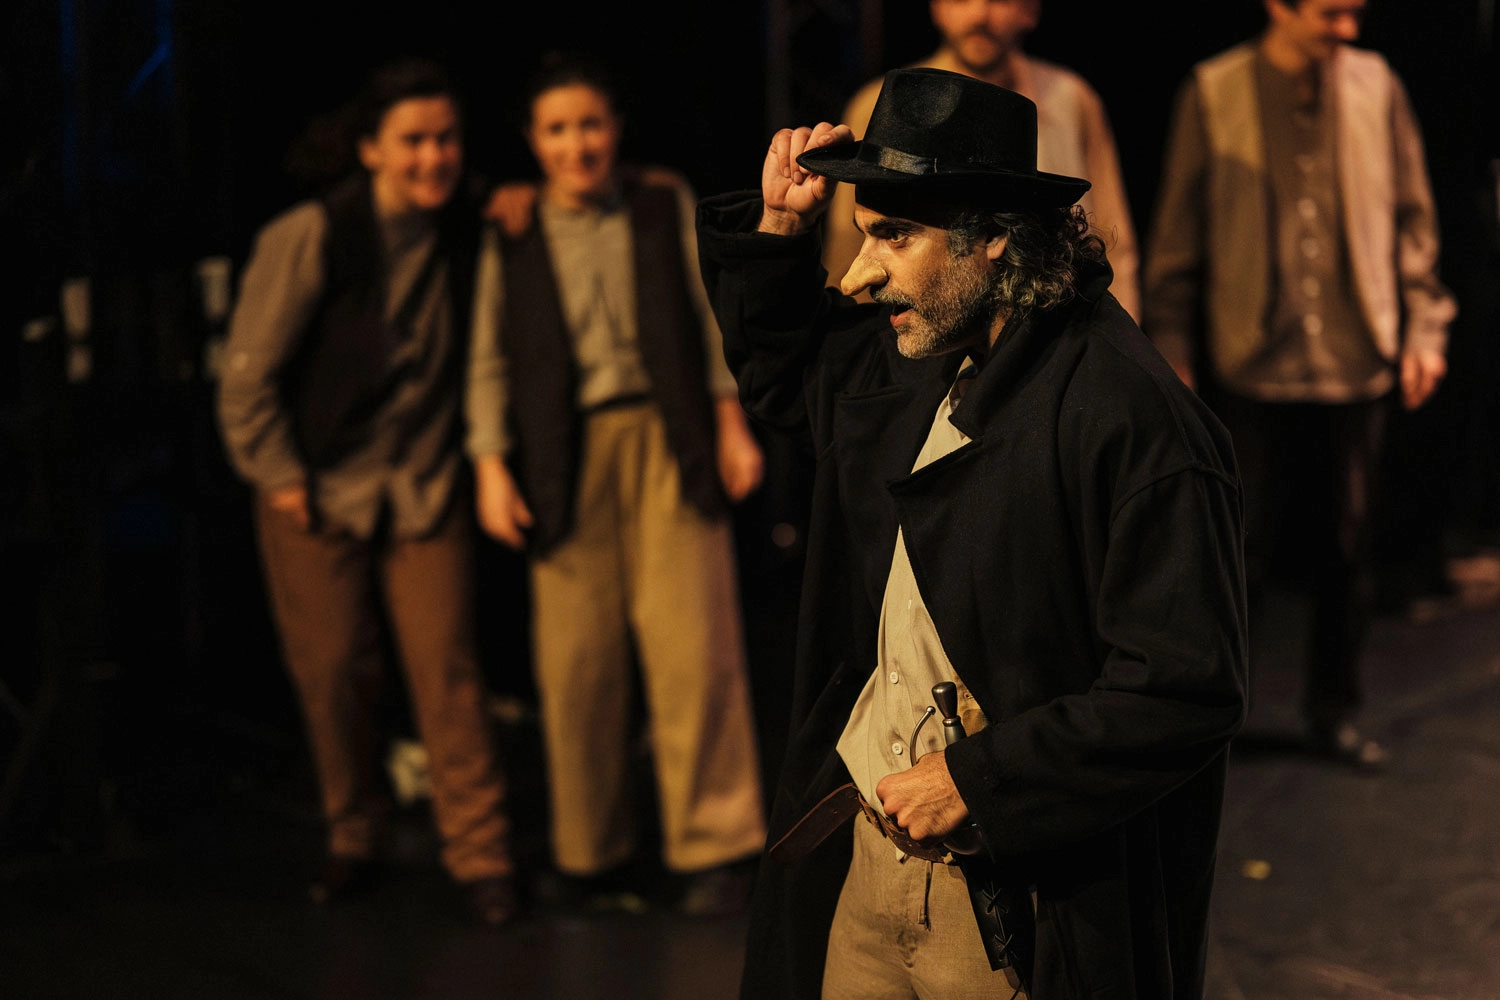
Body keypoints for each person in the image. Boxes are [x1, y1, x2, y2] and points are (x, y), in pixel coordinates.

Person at [696, 67, 1248, 999]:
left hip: (1010, 903)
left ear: (994, 235)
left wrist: (978, 781)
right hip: (866, 871)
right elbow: (795, 380)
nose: (858, 275)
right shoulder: (922, 349)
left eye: (893, 236)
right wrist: (781, 230)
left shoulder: (1130, 419)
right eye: (864, 235)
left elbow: (1183, 687)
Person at [216, 57, 518, 925]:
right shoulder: (313, 234)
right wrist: (279, 477)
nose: (434, 157)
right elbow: (247, 378)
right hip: (317, 484)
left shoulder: (464, 219)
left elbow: (498, 210)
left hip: (421, 482)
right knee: (334, 672)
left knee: (447, 670)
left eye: (446, 139)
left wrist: (511, 200)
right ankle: (355, 831)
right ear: (371, 150)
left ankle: (482, 851)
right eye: (413, 141)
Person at [465, 51, 768, 916]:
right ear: (533, 140)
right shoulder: (513, 226)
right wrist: (490, 466)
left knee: (694, 648)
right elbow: (487, 354)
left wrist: (730, 426)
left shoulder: (659, 199)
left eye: (591, 124)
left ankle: (714, 843)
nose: (578, 145)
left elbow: (705, 322)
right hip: (564, 457)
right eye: (558, 129)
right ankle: (589, 850)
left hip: (668, 438)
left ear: (616, 128)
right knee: (578, 663)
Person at [1142, 0, 1456, 768]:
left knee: (1350, 547)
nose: (1348, 29)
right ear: (1277, 6)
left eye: (1355, 13)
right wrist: (1171, 346)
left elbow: (1414, 218)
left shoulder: (1377, 84)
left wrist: (1425, 330)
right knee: (1236, 550)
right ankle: (1217, 719)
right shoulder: (1214, 89)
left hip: (1357, 356)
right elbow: (1178, 230)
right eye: (1329, 13)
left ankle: (1333, 711)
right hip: (1251, 360)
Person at [821, 0, 1141, 320]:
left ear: (1029, 10)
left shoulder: (1072, 100)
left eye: (1000, 0)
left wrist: (1116, 335)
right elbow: (849, 252)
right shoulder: (882, 107)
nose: (979, 16)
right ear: (936, 7)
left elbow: (1114, 242)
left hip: (1058, 329)